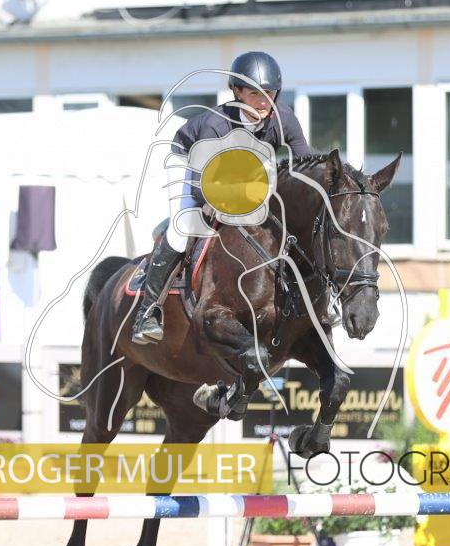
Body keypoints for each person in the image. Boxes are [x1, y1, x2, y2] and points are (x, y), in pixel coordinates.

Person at [131, 51, 314, 344]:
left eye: (269, 93)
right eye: (254, 94)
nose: (264, 102)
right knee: (183, 229)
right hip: (191, 164)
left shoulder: (284, 119)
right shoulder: (216, 125)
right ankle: (147, 312)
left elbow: (306, 165)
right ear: (237, 92)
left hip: (243, 170)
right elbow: (201, 190)